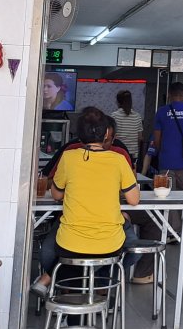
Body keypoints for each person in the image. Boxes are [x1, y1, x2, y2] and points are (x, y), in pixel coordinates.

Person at [31, 107, 139, 297]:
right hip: (109, 245)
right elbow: (133, 199)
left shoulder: (69, 157)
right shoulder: (119, 160)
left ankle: (55, 284)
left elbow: (56, 195)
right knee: (128, 245)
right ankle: (97, 288)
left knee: (61, 251)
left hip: (70, 243)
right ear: (106, 134)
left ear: (78, 136)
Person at [147, 82, 183, 208]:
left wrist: (162, 152)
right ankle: (180, 219)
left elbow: (157, 139)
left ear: (169, 95)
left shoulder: (161, 112)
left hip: (166, 163)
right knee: (181, 197)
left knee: (165, 197)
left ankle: (173, 220)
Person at [111, 90, 144, 163]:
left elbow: (112, 136)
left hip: (119, 152)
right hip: (133, 154)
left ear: (118, 102)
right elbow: (140, 138)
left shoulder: (114, 116)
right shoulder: (137, 116)